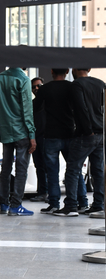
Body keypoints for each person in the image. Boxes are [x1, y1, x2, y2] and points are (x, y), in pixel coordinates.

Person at [33, 69, 88, 214]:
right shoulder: (72, 87)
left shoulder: (45, 89)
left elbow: (35, 107)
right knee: (75, 170)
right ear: (68, 71)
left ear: (51, 71)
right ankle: (82, 202)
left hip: (51, 135)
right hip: (70, 133)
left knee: (52, 172)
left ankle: (54, 204)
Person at [55, 68, 105, 217]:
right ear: (89, 69)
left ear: (74, 69)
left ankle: (71, 206)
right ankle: (98, 205)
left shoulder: (76, 85)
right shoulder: (101, 83)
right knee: (98, 171)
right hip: (102, 133)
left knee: (73, 169)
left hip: (86, 134)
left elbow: (80, 108)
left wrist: (87, 129)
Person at [0, 67, 37, 216]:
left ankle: (3, 204)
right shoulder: (23, 79)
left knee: (5, 168)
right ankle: (16, 205)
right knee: (21, 169)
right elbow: (27, 109)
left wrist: (0, 124)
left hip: (5, 129)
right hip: (21, 131)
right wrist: (32, 134)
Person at [30, 77, 48, 203]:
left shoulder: (50, 102)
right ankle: (42, 192)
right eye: (34, 87)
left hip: (48, 138)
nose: (36, 89)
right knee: (39, 166)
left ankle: (51, 194)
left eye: (39, 86)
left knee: (49, 167)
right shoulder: (32, 104)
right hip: (36, 138)